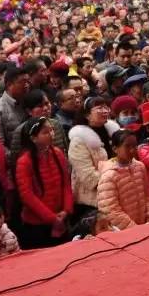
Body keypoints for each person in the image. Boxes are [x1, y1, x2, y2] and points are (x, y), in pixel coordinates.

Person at [14, 117, 74, 248]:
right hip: (37, 225)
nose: (52, 134)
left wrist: (66, 210)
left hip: (61, 217)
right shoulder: (24, 161)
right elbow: (27, 196)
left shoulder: (57, 153)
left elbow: (66, 184)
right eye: (46, 132)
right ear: (33, 138)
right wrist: (52, 218)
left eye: (51, 130)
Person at [95, 129, 149, 230]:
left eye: (134, 145)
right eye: (127, 146)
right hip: (125, 231)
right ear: (115, 149)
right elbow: (110, 210)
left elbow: (147, 195)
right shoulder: (109, 176)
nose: (132, 150)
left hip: (145, 226)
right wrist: (134, 228)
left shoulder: (140, 166)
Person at [67, 96, 113, 228]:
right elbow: (88, 177)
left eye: (106, 107)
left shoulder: (113, 133)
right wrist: (114, 179)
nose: (105, 111)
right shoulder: (79, 141)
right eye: (99, 108)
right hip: (90, 202)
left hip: (113, 195)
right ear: (87, 114)